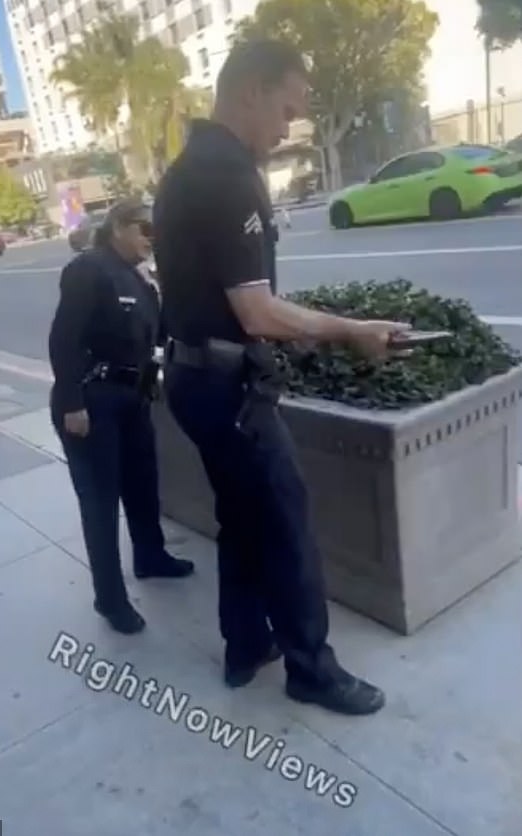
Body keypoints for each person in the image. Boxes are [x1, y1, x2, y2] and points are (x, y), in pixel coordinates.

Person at [152, 39, 411, 715]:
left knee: (241, 517)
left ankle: (246, 644)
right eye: (287, 109)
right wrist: (354, 329)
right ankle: (311, 670)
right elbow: (257, 311)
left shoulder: (184, 169)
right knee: (287, 524)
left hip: (190, 376)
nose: (289, 126)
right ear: (251, 93)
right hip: (227, 387)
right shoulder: (227, 174)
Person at [48, 198, 194, 635]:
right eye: (144, 229)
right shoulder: (88, 269)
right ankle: (109, 599)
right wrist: (72, 401)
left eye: (155, 231)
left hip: (132, 397)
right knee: (100, 503)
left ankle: (150, 555)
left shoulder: (140, 278)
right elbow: (63, 339)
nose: (151, 239)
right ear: (117, 227)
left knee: (142, 484)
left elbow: (156, 337)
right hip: (92, 400)